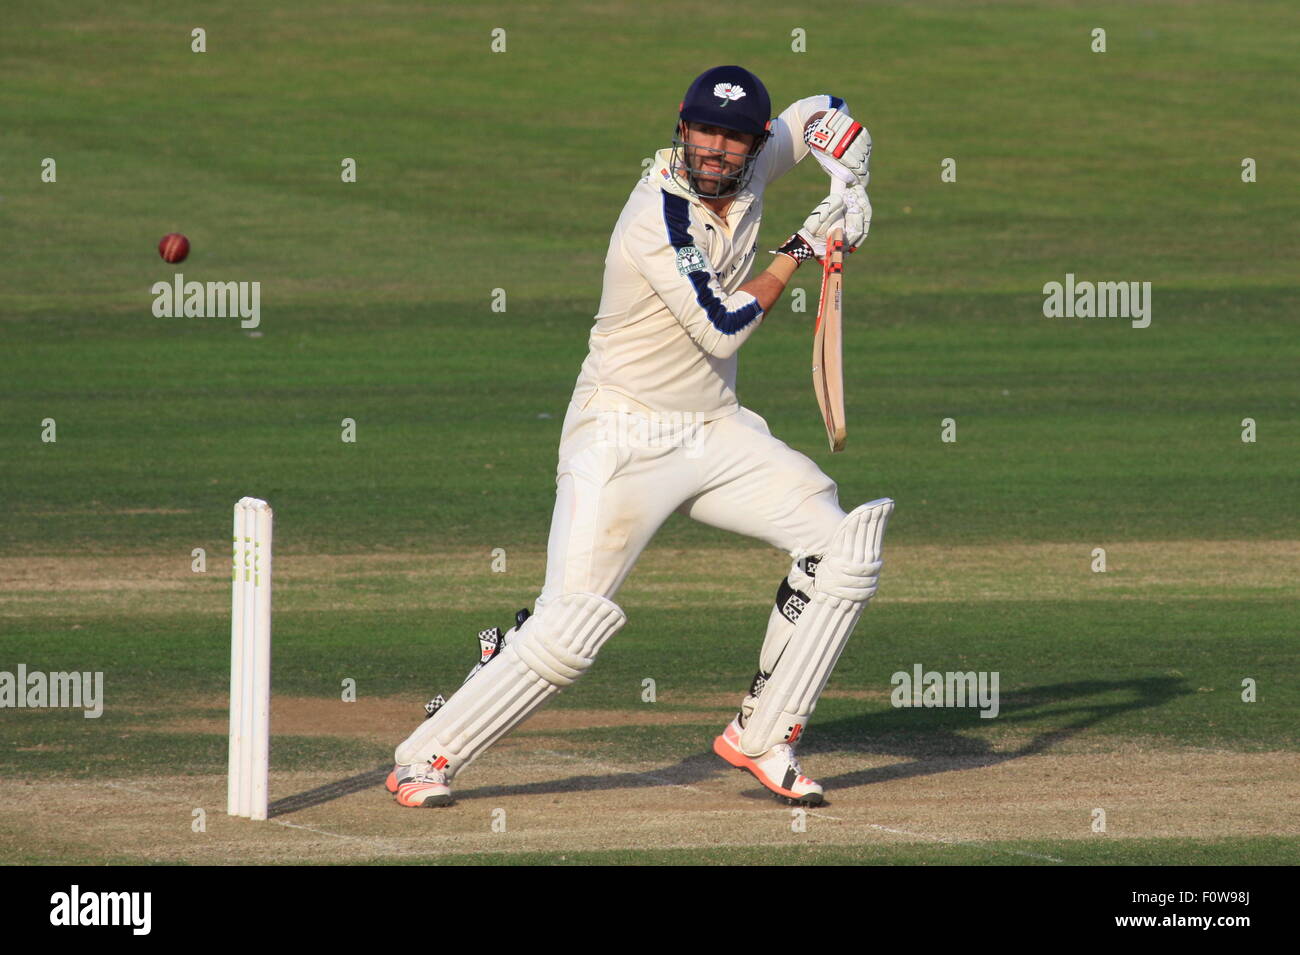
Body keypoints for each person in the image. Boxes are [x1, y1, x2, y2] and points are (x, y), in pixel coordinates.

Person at [388, 65, 893, 809]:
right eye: (704, 131)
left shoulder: (755, 159)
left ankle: (764, 732)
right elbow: (721, 329)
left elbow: (822, 110)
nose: (717, 150)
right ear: (680, 128)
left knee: (843, 545)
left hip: (715, 430)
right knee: (569, 632)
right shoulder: (656, 215)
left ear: (753, 145)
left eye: (733, 137)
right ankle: (424, 757)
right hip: (621, 435)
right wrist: (802, 246)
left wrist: (852, 169)